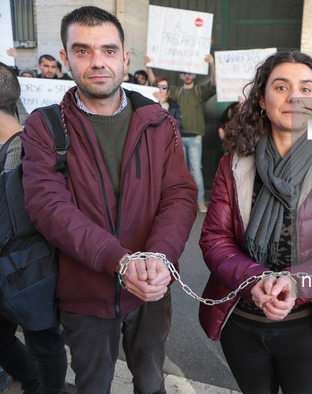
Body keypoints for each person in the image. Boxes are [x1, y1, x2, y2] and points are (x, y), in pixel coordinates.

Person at [20, 6, 198, 393]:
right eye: (82, 51)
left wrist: (161, 256)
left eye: (108, 50)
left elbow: (179, 194)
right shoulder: (44, 125)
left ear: (125, 58)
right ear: (66, 58)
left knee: (151, 382)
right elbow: (48, 206)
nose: (98, 61)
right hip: (85, 292)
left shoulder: (158, 121)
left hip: (152, 288)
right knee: (93, 384)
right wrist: (118, 260)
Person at [199, 50, 312, 394]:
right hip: (242, 322)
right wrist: (253, 279)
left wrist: (295, 284)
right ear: (261, 98)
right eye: (281, 87)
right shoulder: (234, 164)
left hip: (308, 324)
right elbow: (215, 239)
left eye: (306, 88)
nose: (294, 97)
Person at [0, 61, 67, 394]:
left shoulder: (24, 148)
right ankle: (32, 381)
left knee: (43, 340)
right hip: (10, 263)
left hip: (28, 265)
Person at [145, 55, 217, 213]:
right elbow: (156, 84)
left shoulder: (199, 91)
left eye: (190, 73)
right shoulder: (176, 91)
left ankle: (200, 201)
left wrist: (212, 65)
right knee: (180, 171)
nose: (187, 76)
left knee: (196, 170)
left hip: (194, 138)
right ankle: (182, 201)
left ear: (195, 75)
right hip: (177, 137)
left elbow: (214, 85)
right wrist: (149, 66)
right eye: (184, 73)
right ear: (181, 75)